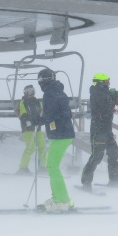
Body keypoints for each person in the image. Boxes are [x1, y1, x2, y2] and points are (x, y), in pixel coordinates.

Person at [37, 69, 75, 212]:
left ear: (43, 81)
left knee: (52, 166)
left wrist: (40, 120)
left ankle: (62, 200)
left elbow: (52, 114)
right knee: (51, 166)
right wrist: (43, 119)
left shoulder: (50, 93)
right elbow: (61, 112)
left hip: (61, 134)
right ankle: (58, 197)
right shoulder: (57, 91)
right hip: (61, 133)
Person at [81, 73, 118, 191]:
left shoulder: (105, 92)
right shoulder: (96, 93)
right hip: (98, 130)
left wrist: (115, 96)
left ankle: (115, 180)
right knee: (97, 156)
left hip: (107, 130)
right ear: (100, 82)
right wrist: (112, 100)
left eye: (108, 81)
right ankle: (86, 183)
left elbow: (114, 101)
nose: (108, 84)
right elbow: (104, 106)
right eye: (106, 82)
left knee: (113, 153)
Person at [16, 85, 47, 175]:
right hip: (28, 128)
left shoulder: (37, 102)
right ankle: (23, 168)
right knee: (31, 147)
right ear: (25, 92)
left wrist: (41, 120)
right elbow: (23, 114)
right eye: (29, 91)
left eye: (32, 91)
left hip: (38, 128)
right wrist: (32, 120)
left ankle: (42, 167)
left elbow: (42, 112)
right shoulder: (23, 102)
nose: (31, 93)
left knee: (42, 146)